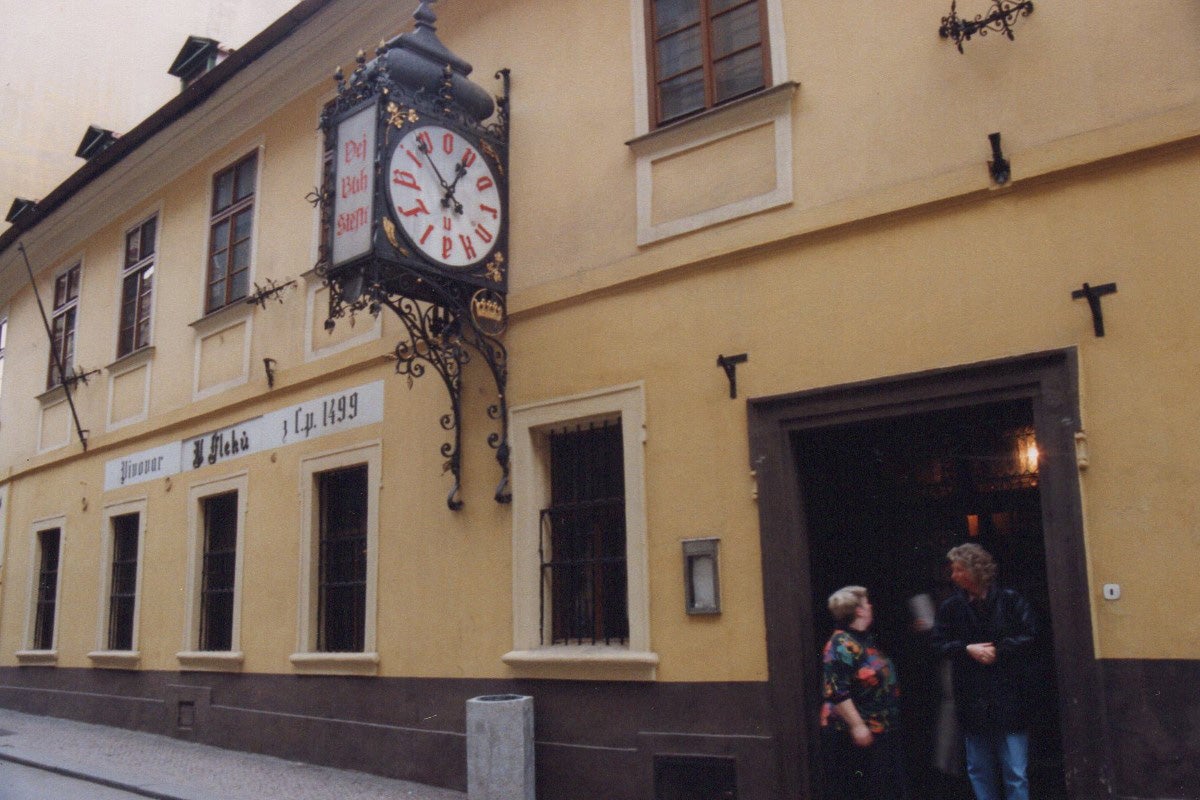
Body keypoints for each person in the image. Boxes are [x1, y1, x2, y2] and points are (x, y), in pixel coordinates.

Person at [932, 544, 1035, 800]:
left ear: (973, 571)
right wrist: (967, 649)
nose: (953, 575)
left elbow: (1030, 636)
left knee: (1015, 770)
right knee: (978, 769)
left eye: (958, 569)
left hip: (1008, 695)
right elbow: (937, 644)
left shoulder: (1010, 600)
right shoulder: (951, 607)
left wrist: (998, 650)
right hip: (972, 697)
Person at [821, 586, 910, 800]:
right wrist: (858, 727)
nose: (870, 606)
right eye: (866, 602)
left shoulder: (863, 639)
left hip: (881, 729)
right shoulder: (841, 644)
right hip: (859, 734)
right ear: (859, 610)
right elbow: (836, 690)